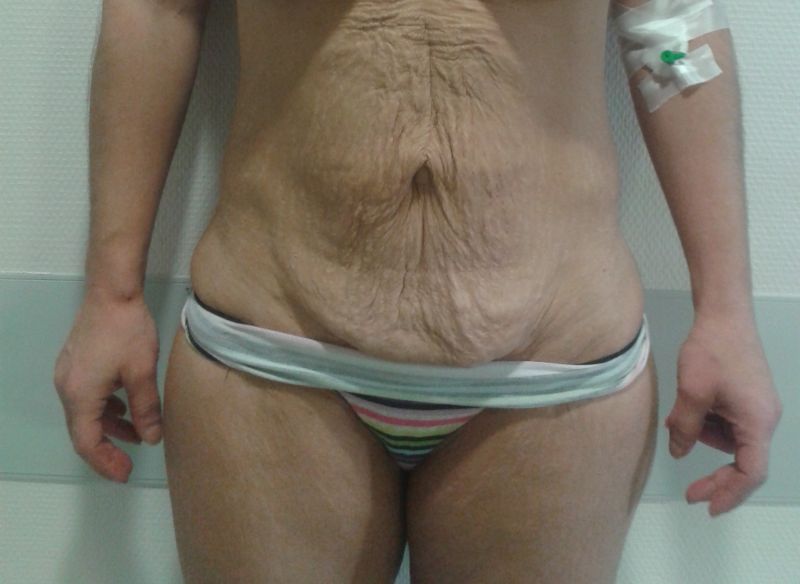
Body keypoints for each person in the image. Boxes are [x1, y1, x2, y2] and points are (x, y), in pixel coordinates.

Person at [52, 0, 782, 582]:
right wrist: (112, 298)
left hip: (555, 364)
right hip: (270, 344)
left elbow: (671, 22)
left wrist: (725, 312)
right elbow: (157, 9)